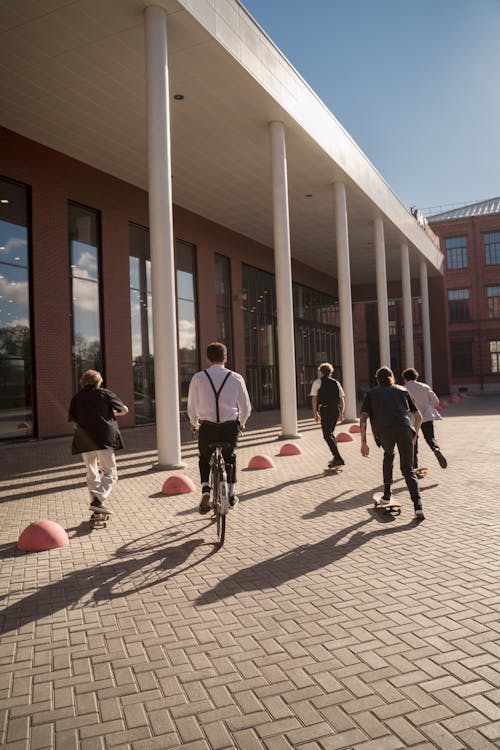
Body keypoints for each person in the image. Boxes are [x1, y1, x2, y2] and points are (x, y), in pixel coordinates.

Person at [187, 342, 252, 513]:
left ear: (207, 359)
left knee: (204, 457)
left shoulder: (198, 378)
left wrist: (194, 423)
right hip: (229, 427)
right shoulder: (236, 378)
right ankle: (231, 494)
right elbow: (246, 407)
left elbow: (192, 407)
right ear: (225, 358)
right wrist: (241, 423)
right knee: (230, 458)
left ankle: (206, 489)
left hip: (207, 427)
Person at [359, 366, 425, 520]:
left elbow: (363, 418)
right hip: (404, 430)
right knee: (408, 470)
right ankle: (418, 506)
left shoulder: (371, 393)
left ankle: (387, 495)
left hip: (384, 432)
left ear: (377, 379)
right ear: (392, 377)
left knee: (388, 455)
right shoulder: (402, 391)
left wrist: (363, 442)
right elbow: (419, 416)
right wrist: (414, 434)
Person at [68, 370, 129, 515]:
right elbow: (125, 410)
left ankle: (96, 506)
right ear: (98, 381)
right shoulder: (105, 393)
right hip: (104, 439)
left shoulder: (76, 398)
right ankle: (98, 500)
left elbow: (73, 422)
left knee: (92, 473)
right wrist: (115, 413)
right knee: (110, 473)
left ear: (83, 382)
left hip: (84, 440)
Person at [402, 368, 447, 470]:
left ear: (405, 379)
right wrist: (428, 406)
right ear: (416, 377)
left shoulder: (403, 389)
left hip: (412, 419)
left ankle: (414, 465)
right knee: (430, 437)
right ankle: (435, 448)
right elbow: (436, 401)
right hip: (427, 416)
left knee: (413, 440)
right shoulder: (424, 386)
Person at [310, 362, 345, 468]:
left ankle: (338, 458)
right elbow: (342, 400)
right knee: (330, 434)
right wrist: (341, 413)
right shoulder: (336, 383)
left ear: (320, 372)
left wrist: (315, 413)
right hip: (335, 410)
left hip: (325, 410)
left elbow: (314, 399)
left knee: (327, 435)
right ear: (331, 372)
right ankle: (336, 457)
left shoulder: (317, 382)